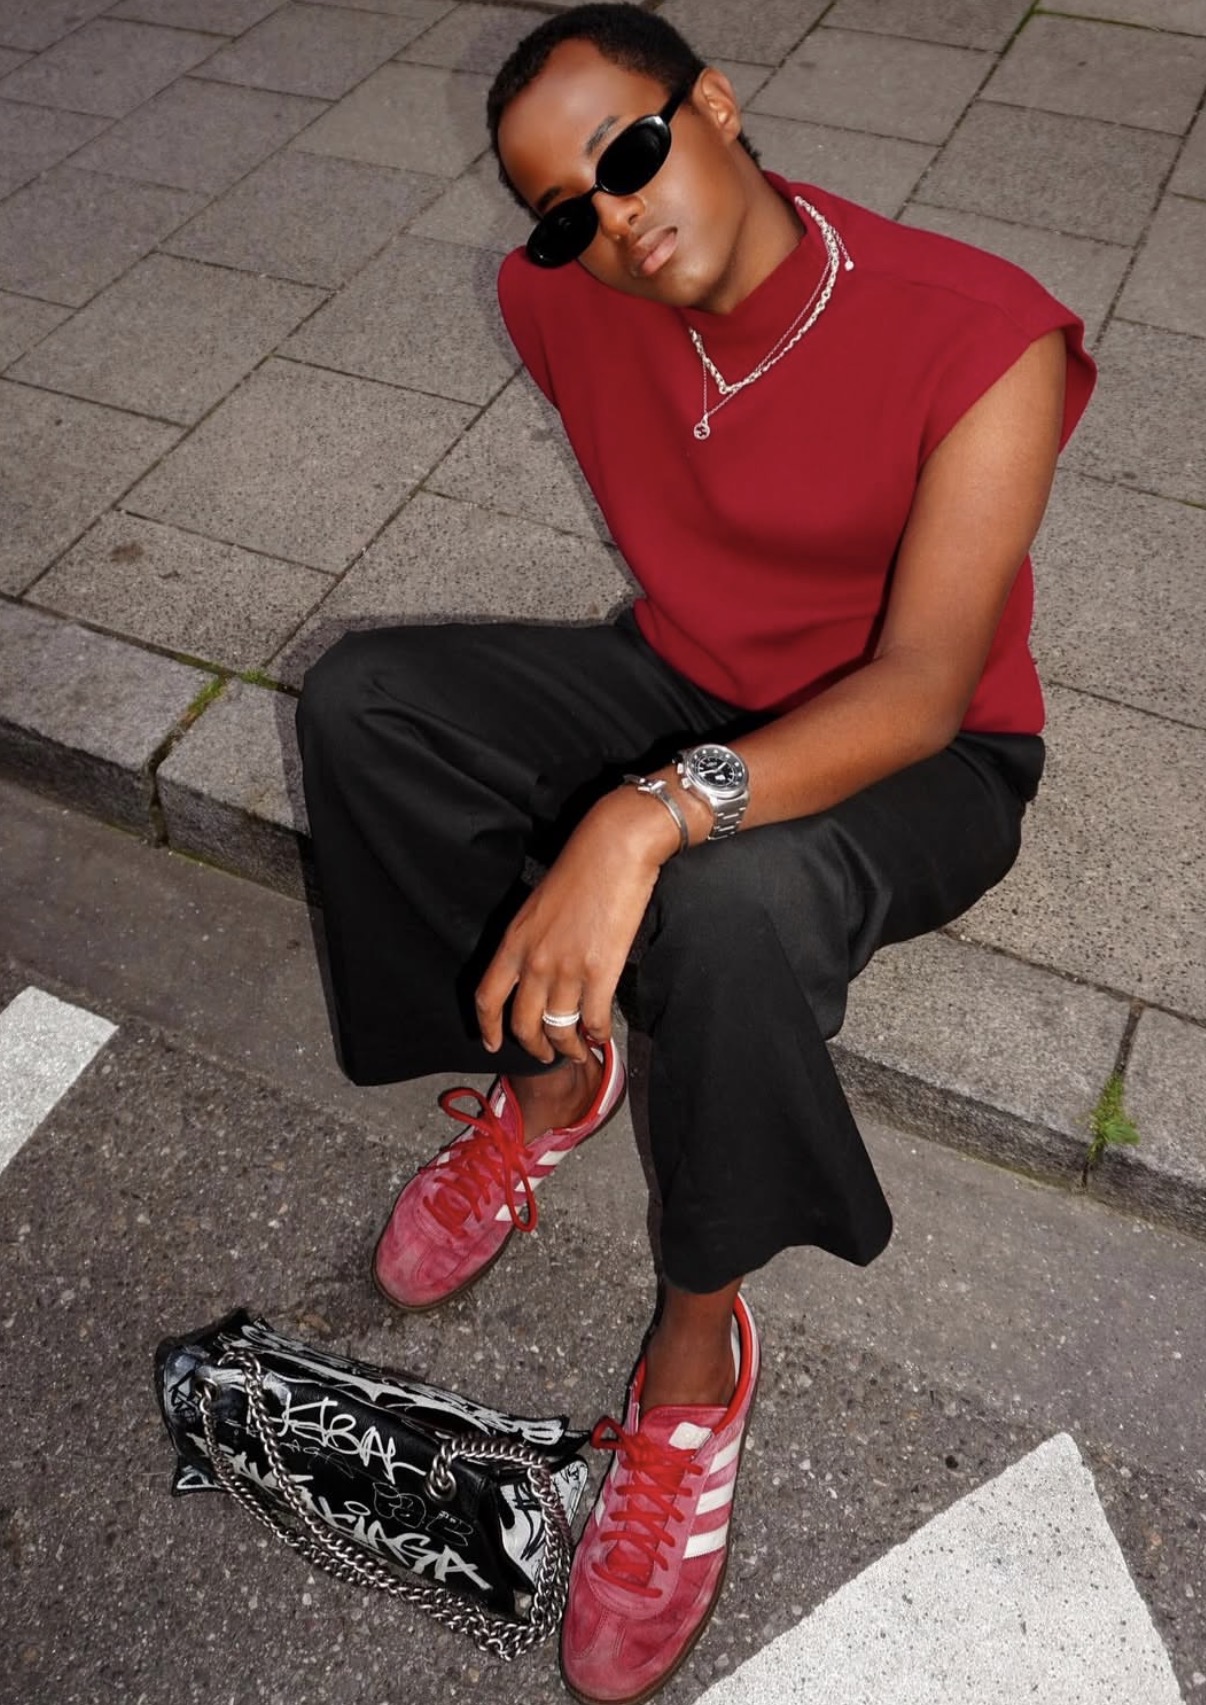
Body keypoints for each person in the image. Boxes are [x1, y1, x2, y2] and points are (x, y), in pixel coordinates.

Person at [295, 5, 1095, 1700]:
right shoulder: (555, 298)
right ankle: (543, 1085)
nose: (609, 219)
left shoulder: (981, 338)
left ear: (714, 105)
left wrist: (645, 811)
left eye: (630, 153)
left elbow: (920, 682)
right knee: (370, 704)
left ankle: (690, 1344)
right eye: (562, 207)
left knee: (724, 911)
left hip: (922, 753)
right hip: (692, 676)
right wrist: (642, 780)